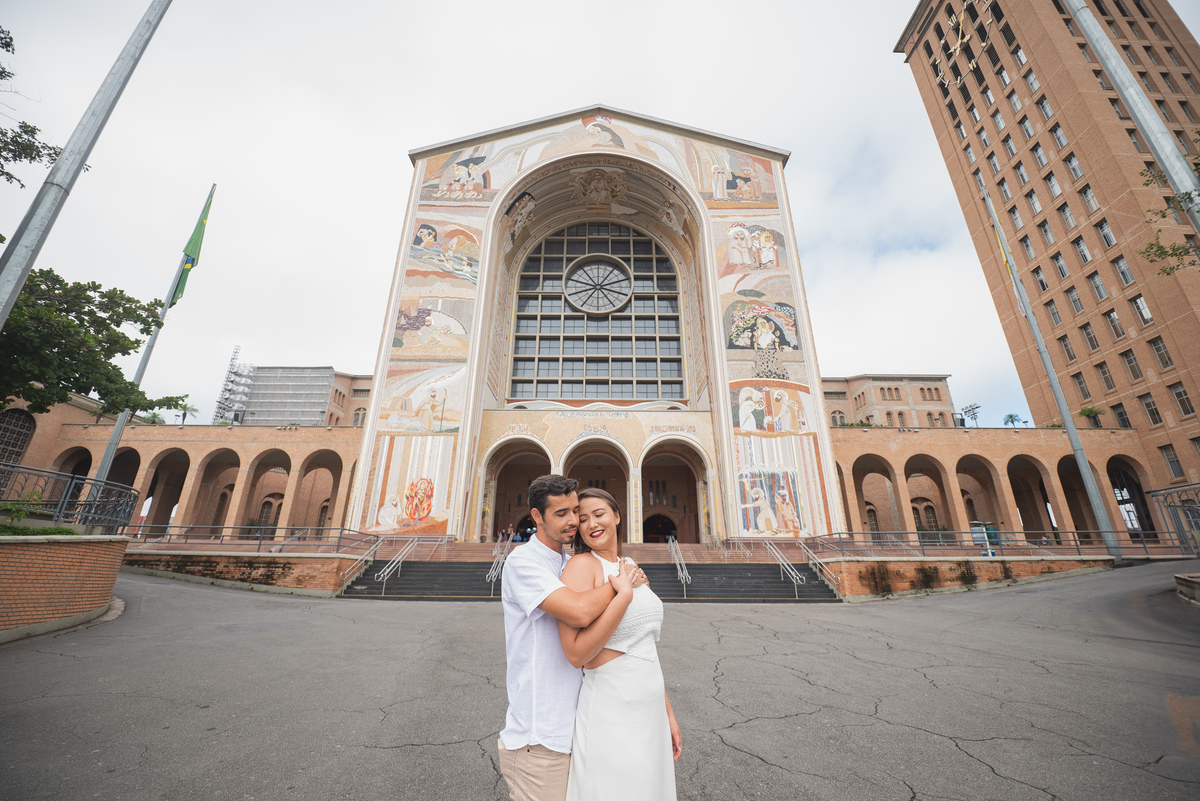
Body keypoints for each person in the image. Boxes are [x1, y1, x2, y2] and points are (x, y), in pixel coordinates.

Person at [498, 475, 642, 801]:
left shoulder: (568, 562)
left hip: (577, 729)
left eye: (575, 511)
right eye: (561, 513)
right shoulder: (524, 562)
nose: (574, 521)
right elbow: (578, 612)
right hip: (539, 738)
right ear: (537, 516)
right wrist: (621, 583)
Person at [558, 488, 681, 801]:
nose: (591, 524)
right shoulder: (582, 565)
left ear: (616, 515)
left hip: (649, 706)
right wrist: (622, 594)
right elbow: (577, 653)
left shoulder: (630, 565)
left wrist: (667, 712)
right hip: (612, 706)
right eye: (582, 519)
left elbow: (647, 645)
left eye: (598, 514)